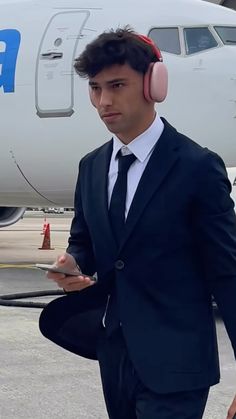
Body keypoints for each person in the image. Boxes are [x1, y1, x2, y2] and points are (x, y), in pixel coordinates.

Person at [39, 27, 236, 419]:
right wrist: (74, 264)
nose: (104, 101)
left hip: (178, 364)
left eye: (117, 85)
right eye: (95, 88)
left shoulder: (196, 166)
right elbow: (85, 243)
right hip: (115, 356)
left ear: (152, 85)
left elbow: (228, 273)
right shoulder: (92, 166)